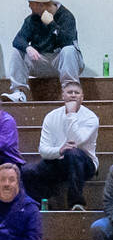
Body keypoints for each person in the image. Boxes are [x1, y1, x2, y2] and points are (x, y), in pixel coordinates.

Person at [21, 81, 98, 210]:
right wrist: (59, 150)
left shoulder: (91, 118)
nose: (73, 95)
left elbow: (76, 141)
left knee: (72, 153)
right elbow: (43, 150)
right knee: (27, 171)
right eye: (69, 92)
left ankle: (76, 203)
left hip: (84, 164)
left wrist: (71, 114)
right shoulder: (51, 117)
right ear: (63, 96)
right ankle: (39, 205)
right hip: (59, 160)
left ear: (82, 97)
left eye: (76, 93)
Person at [3, 0, 84, 104]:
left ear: (40, 4)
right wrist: (28, 47)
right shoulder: (32, 19)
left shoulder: (66, 17)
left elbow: (67, 40)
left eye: (31, 3)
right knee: (17, 50)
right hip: (42, 62)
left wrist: (51, 24)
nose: (29, 5)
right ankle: (19, 93)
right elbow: (18, 40)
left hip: (62, 61)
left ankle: (70, 92)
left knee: (69, 50)